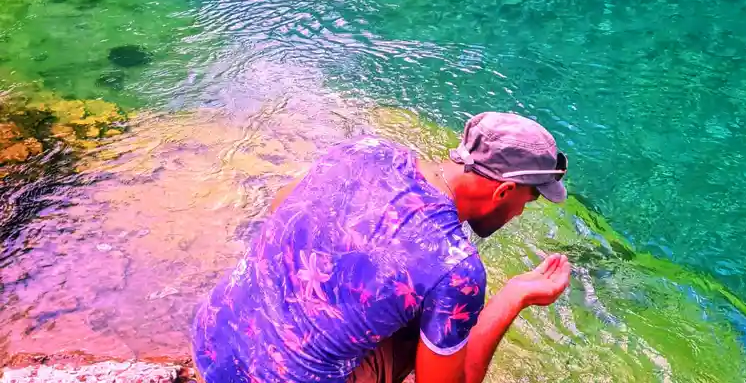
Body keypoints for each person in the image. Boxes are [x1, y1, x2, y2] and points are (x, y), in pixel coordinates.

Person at [192, 111, 572, 383]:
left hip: (211, 343)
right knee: (426, 325)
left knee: (402, 299)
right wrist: (513, 297)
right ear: (504, 191)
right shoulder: (456, 266)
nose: (522, 211)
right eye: (531, 198)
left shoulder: (367, 150)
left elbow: (281, 206)